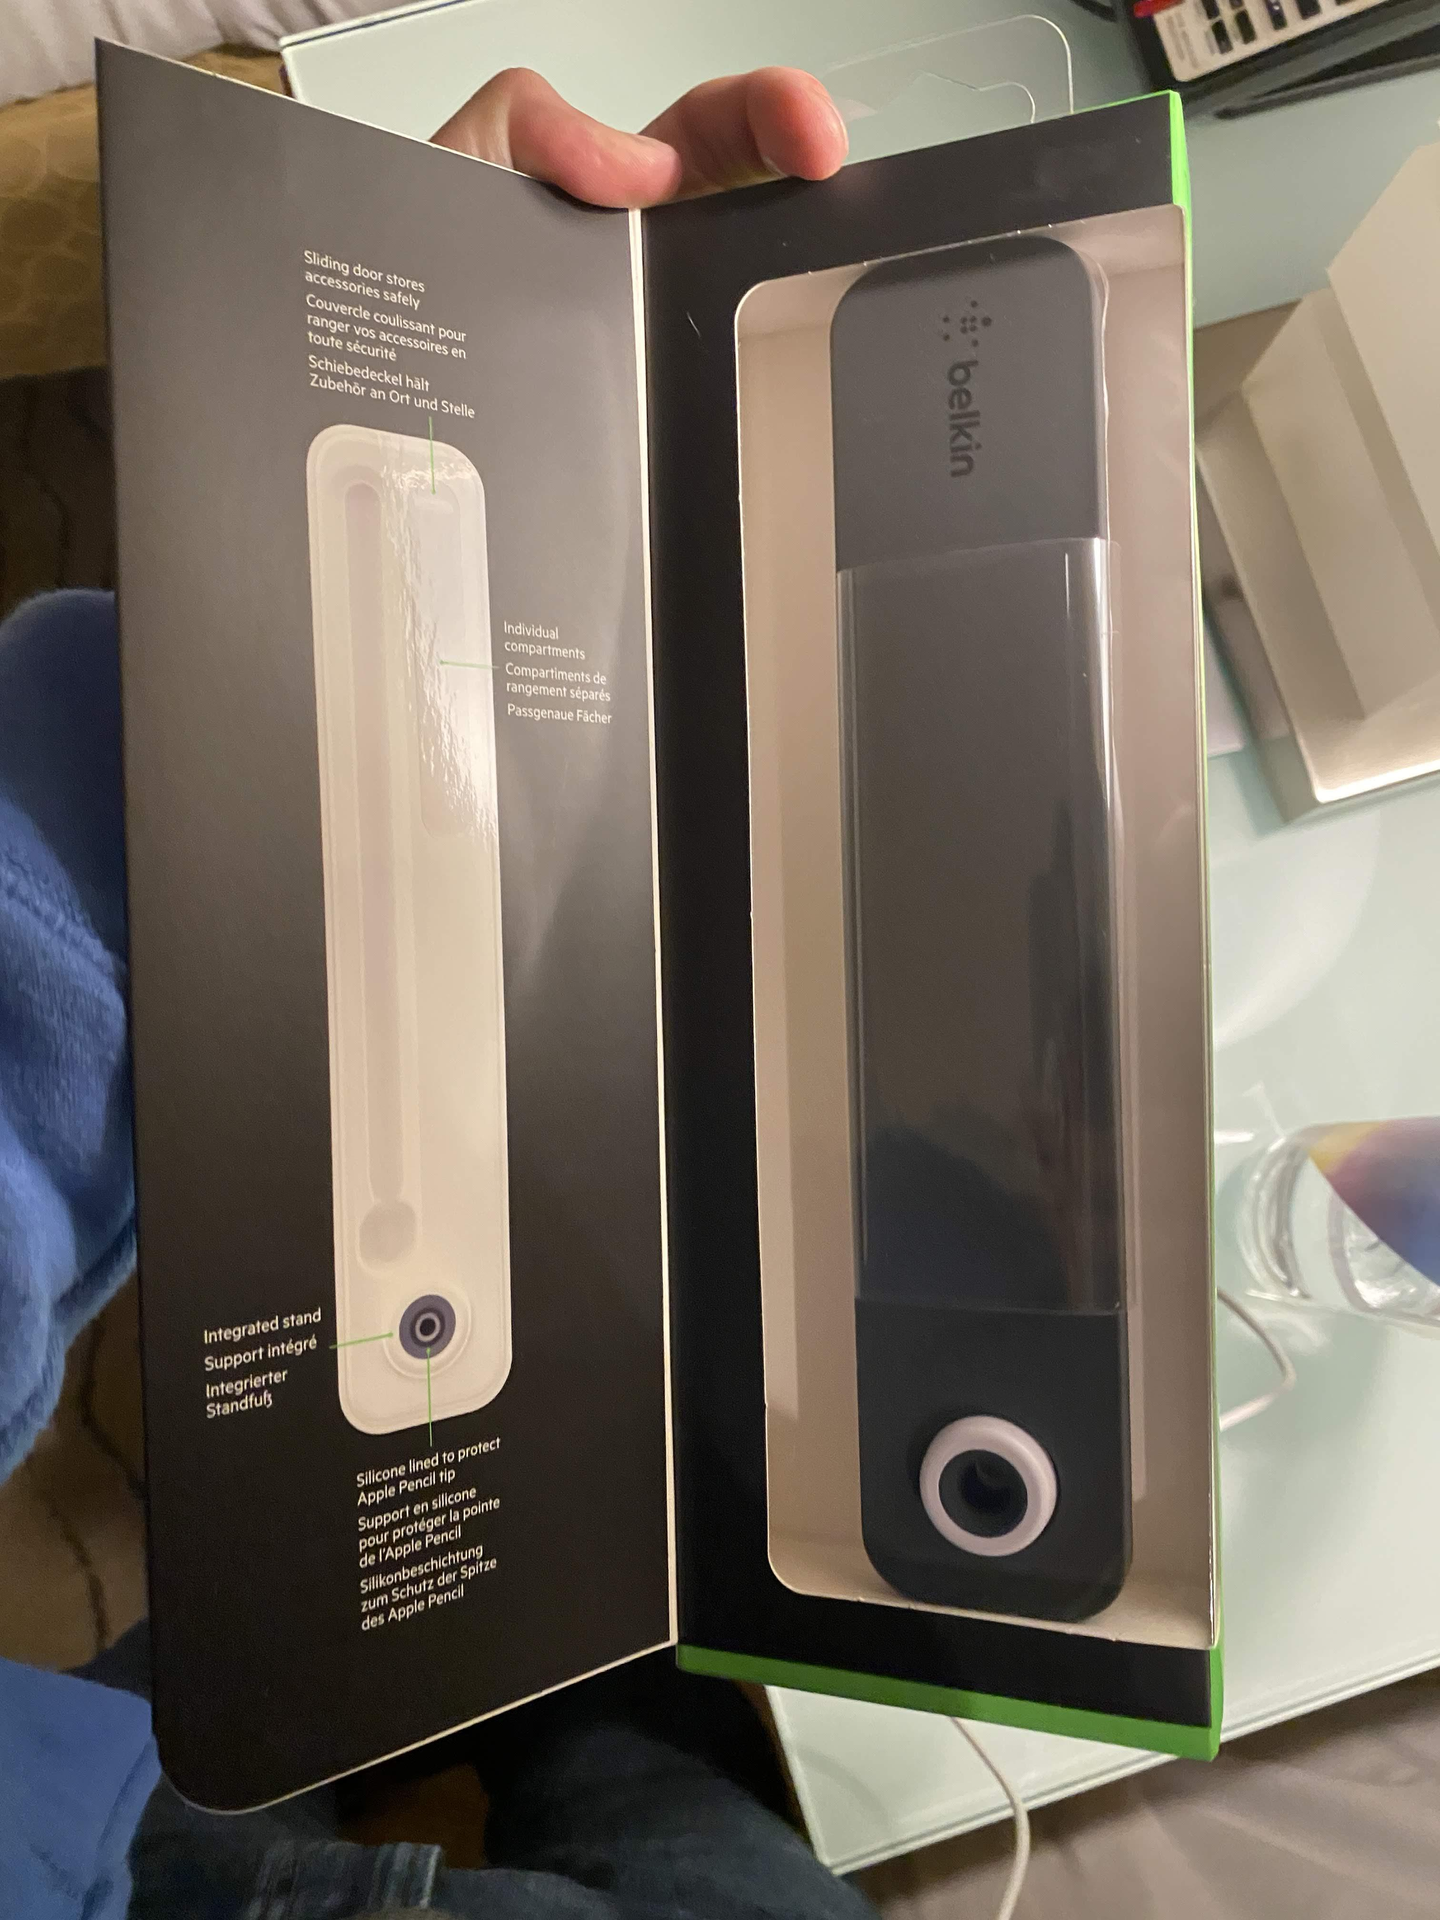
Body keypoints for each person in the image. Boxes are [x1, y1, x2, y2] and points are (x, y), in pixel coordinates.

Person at [0, 64, 868, 1920]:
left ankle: (503, 1654)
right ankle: (577, 1674)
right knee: (705, 1828)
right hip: (76, 1825)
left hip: (56, 1791)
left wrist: (228, 714)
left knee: (315, 1646)